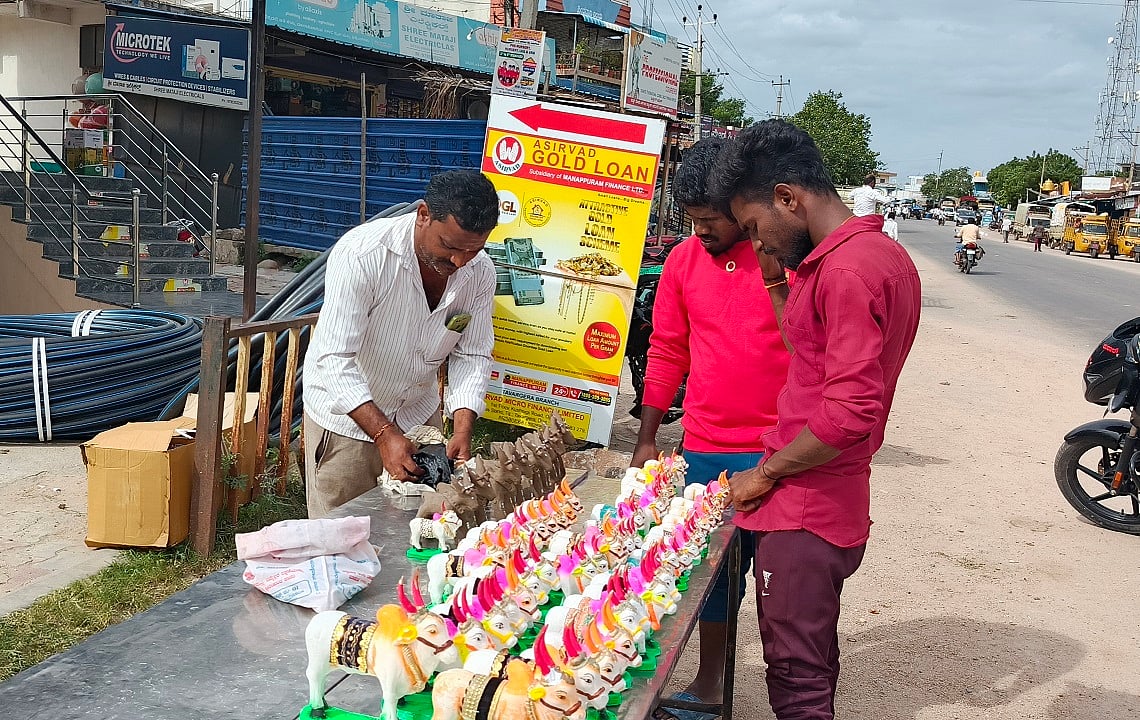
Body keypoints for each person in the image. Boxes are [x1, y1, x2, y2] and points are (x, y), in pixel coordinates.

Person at [708, 119, 921, 720]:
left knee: (796, 671)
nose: (758, 245)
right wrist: (779, 285)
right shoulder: (873, 256)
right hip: (829, 496)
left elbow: (849, 412)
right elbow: (813, 359)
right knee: (808, 653)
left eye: (754, 227)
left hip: (808, 506)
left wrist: (765, 474)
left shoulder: (849, 271)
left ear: (788, 198)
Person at [633, 138, 791, 715]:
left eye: (712, 221)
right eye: (692, 221)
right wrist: (649, 436)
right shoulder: (680, 261)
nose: (701, 232)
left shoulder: (781, 257)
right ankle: (710, 687)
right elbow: (668, 348)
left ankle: (790, 694)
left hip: (780, 452)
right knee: (709, 582)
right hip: (704, 448)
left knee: (780, 584)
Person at [301, 170, 500, 518]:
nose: (459, 262)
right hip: (347, 421)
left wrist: (463, 426)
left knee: (419, 531)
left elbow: (472, 353)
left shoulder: (480, 272)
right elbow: (334, 358)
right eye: (450, 246)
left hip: (418, 416)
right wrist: (383, 434)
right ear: (423, 215)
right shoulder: (363, 254)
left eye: (473, 250)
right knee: (340, 537)